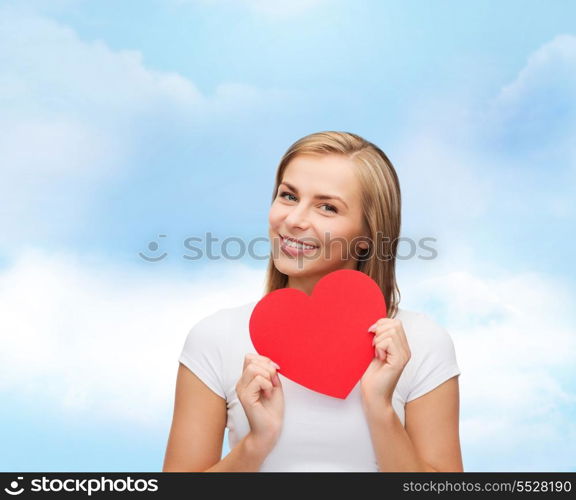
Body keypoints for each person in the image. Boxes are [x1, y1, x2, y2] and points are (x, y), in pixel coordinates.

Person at [162, 131, 463, 472]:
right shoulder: (215, 337)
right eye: (289, 196)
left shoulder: (420, 344)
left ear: (366, 238)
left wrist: (380, 410)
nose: (294, 220)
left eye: (327, 207)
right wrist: (256, 444)